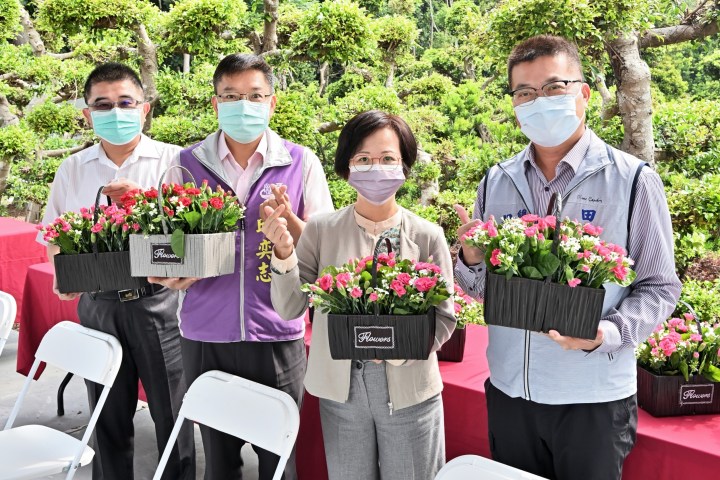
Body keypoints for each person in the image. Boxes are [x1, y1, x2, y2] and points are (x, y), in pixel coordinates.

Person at [454, 35, 682, 480]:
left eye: (554, 88)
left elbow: (660, 287)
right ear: (514, 104)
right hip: (509, 393)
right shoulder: (496, 182)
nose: (539, 102)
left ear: (584, 93)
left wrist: (607, 332)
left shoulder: (632, 180)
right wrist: (471, 260)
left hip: (591, 399)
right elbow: (483, 290)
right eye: (524, 93)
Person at [149, 53, 333, 480]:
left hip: (277, 335)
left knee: (279, 462)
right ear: (215, 104)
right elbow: (169, 243)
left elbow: (324, 254)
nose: (243, 106)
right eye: (231, 96)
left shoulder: (301, 162)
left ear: (272, 103)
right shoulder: (186, 164)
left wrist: (290, 223)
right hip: (204, 334)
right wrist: (173, 273)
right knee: (219, 461)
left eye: (254, 96)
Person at [264, 110, 456, 480]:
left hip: (410, 391)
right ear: (346, 166)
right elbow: (289, 307)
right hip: (342, 389)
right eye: (363, 159)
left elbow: (445, 319)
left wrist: (404, 347)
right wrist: (285, 253)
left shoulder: (428, 235)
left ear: (405, 166)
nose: (376, 168)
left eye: (388, 159)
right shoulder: (321, 230)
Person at [39, 62, 194, 480]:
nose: (116, 112)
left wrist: (142, 202)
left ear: (144, 109)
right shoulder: (71, 168)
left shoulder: (174, 161)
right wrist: (61, 273)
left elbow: (190, 236)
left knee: (173, 414)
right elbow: (54, 232)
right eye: (103, 105)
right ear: (87, 114)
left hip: (158, 305)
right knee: (106, 415)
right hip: (97, 306)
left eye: (126, 103)